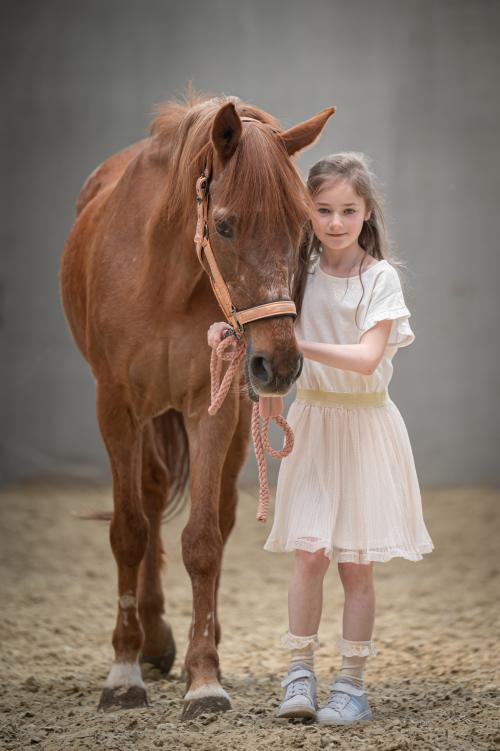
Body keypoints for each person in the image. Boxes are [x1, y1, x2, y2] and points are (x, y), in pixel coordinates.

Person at [207, 153, 434, 725]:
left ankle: (351, 683)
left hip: (365, 427)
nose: (335, 222)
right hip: (312, 425)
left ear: (366, 214)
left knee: (356, 565)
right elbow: (263, 324)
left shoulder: (379, 278)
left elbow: (364, 360)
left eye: (348, 211)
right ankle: (299, 675)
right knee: (309, 556)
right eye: (323, 210)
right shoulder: (295, 274)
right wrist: (234, 333)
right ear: (307, 213)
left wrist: (295, 345)